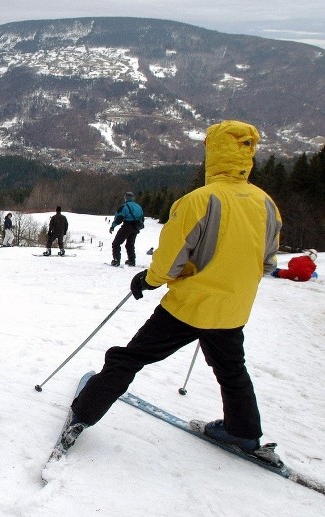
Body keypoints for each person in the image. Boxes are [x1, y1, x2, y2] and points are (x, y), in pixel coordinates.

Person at [61, 120, 283, 464]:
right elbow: (268, 261)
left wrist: (147, 281)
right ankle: (244, 431)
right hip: (233, 309)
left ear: (214, 152)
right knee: (232, 370)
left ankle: (84, 413)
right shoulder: (265, 203)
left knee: (129, 357)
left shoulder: (200, 200)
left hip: (190, 306)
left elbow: (170, 258)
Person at [109, 192, 144, 266]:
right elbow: (142, 219)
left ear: (125, 198)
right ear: (133, 198)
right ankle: (131, 261)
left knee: (116, 243)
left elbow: (119, 218)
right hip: (135, 227)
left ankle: (116, 260)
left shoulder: (124, 207)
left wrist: (112, 226)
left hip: (127, 226)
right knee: (130, 244)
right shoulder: (138, 207)